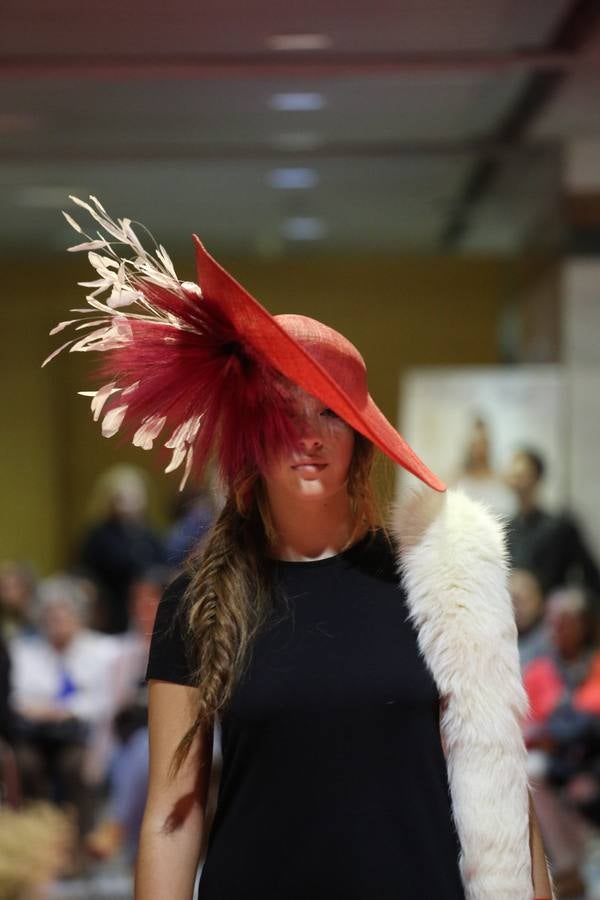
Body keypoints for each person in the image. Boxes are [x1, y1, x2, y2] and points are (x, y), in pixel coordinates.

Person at [45, 195, 554, 899]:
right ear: (252, 434)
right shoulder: (201, 598)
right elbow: (171, 810)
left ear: (361, 439)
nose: (309, 437)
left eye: (330, 416)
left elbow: (498, 777)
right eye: (285, 415)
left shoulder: (438, 575)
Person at [506, 448, 600, 605]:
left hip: (552, 619)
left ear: (536, 477)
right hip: (516, 619)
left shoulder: (561, 527)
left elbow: (591, 577)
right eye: (513, 475)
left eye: (521, 475)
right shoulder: (506, 531)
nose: (516, 480)